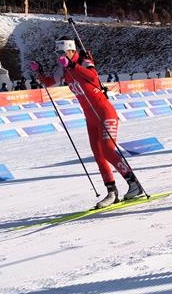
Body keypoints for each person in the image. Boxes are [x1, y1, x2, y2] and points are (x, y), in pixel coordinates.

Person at [55, 38, 144, 208]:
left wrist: (73, 65)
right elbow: (49, 82)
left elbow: (93, 77)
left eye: (61, 52)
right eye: (57, 53)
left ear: (71, 50)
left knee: (108, 150)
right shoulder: (64, 69)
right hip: (90, 118)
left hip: (104, 112)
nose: (59, 56)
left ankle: (134, 184)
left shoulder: (84, 61)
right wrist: (39, 72)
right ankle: (112, 192)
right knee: (98, 155)